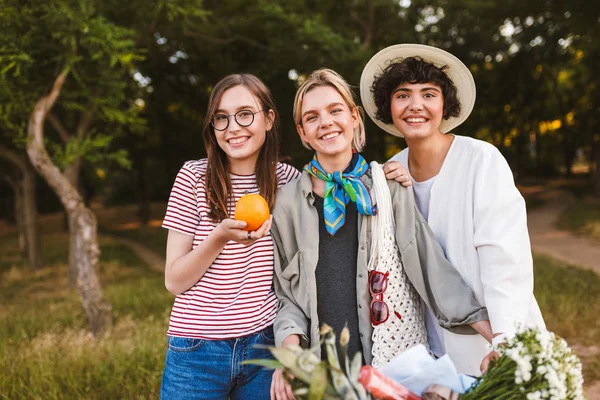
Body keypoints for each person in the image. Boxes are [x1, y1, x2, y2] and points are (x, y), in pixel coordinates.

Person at [270, 68, 493, 400]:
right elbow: (287, 295)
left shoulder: (387, 186)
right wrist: (288, 355)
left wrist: (496, 335)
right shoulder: (287, 202)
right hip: (322, 373)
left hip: (388, 365)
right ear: (303, 132)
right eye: (312, 117)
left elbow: (428, 263)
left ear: (354, 116)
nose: (326, 122)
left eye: (335, 110)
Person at [360, 43, 546, 376]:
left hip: (491, 341)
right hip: (422, 348)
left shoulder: (481, 161)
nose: (415, 105)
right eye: (403, 95)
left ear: (445, 104)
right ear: (389, 106)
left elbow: (505, 259)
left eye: (429, 94)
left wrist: (506, 340)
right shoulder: (387, 172)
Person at [159, 73, 301, 400]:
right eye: (221, 118)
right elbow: (174, 281)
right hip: (196, 351)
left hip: (264, 346)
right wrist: (219, 236)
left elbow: (337, 183)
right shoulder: (194, 177)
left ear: (268, 119)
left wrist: (389, 173)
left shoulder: (288, 181)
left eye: (245, 114)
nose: (233, 127)